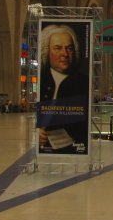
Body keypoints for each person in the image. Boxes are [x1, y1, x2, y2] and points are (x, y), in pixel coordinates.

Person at [37, 23, 89, 154]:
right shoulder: (41, 80)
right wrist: (36, 131)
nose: (64, 54)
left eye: (69, 48)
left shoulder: (83, 82)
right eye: (57, 48)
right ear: (46, 51)